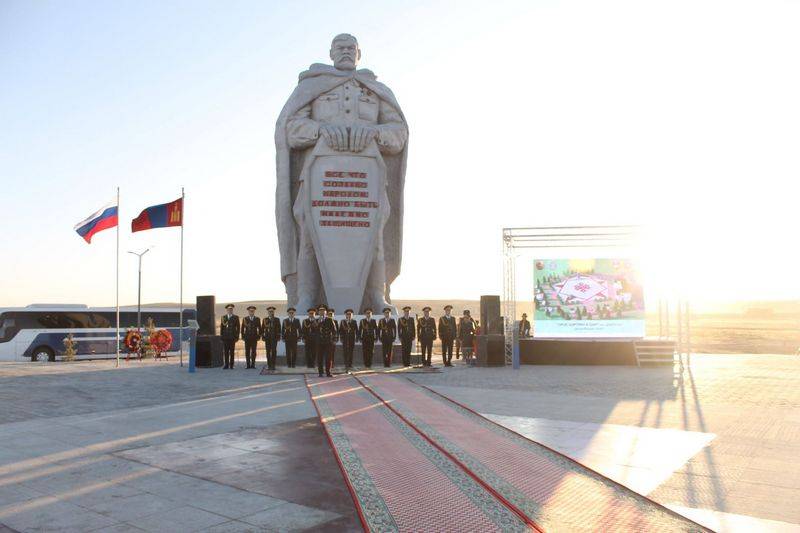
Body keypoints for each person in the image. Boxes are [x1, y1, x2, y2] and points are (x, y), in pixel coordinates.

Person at [220, 304, 240, 369]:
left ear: (232, 310)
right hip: (225, 338)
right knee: (226, 352)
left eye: (231, 309)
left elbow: (238, 328)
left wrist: (237, 337)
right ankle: (226, 365)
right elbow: (222, 328)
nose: (230, 310)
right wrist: (221, 336)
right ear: (227, 310)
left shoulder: (236, 317)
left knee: (231, 352)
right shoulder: (223, 317)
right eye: (229, 309)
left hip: (232, 337)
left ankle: (231, 365)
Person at [319, 308, 338, 377]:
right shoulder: (316, 320)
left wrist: (333, 340)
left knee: (328, 358)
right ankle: (320, 372)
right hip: (319, 342)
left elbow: (334, 330)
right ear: (318, 312)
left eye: (323, 311)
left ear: (326, 312)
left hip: (328, 341)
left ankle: (328, 372)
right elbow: (314, 330)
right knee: (319, 358)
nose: (322, 312)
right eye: (320, 311)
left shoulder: (329, 319)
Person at [262, 306, 281, 371]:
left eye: (272, 311)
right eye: (270, 311)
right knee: (268, 352)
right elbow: (262, 329)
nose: (271, 313)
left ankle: (273, 365)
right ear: (268, 312)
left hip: (274, 338)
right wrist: (263, 337)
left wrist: (278, 337)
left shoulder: (276, 319)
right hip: (267, 338)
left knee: (273, 352)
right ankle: (269, 365)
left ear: (274, 312)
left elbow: (279, 329)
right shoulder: (265, 319)